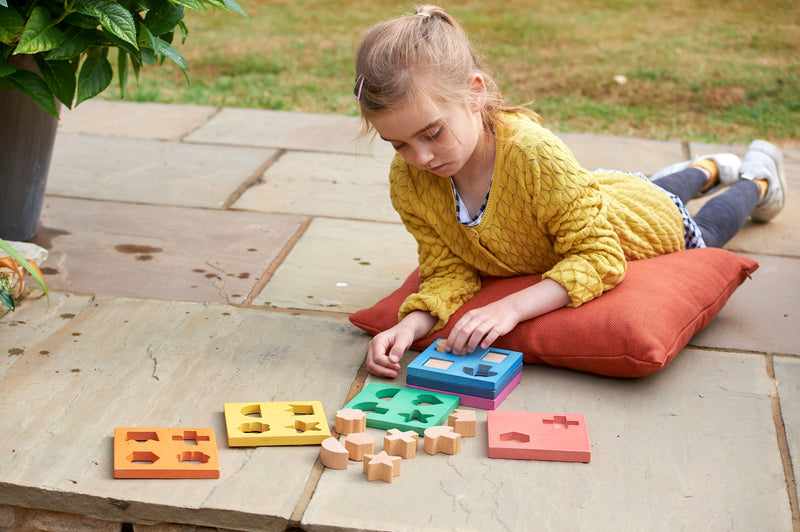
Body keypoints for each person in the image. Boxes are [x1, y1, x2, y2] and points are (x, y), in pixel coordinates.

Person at [354, 5, 787, 378]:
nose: (421, 157)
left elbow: (600, 256)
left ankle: (757, 179)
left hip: (642, 224)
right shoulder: (408, 178)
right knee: (652, 186)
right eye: (400, 144)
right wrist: (411, 324)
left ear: (474, 94)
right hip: (597, 190)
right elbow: (447, 266)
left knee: (702, 226)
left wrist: (510, 308)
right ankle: (705, 168)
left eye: (432, 133)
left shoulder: (532, 154)